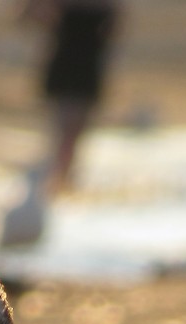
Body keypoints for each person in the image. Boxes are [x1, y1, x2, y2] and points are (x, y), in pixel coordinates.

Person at [22, 0, 120, 193]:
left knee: (74, 127)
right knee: (65, 126)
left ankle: (62, 178)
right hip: (67, 60)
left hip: (87, 62)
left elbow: (116, 26)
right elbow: (25, 14)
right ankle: (58, 178)